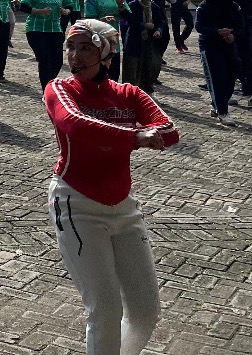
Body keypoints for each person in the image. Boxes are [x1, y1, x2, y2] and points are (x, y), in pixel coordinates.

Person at [44, 19, 180, 355]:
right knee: (105, 311)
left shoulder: (129, 93)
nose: (74, 56)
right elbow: (74, 124)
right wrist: (134, 137)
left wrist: (143, 135)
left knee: (146, 311)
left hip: (124, 207)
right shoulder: (60, 88)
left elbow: (169, 131)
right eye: (70, 47)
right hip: (77, 204)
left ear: (106, 54)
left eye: (85, 47)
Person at [192, 0, 242, 126]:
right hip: (210, 46)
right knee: (218, 78)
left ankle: (217, 105)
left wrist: (233, 35)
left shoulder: (233, 6)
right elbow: (200, 27)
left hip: (229, 44)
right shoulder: (203, 8)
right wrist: (217, 32)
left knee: (231, 77)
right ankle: (223, 112)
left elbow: (241, 26)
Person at [20, 0, 71, 89]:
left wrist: (66, 11)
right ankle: (47, 91)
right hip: (35, 29)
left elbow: (69, 5)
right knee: (45, 60)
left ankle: (50, 84)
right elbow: (23, 6)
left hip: (54, 28)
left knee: (57, 61)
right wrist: (38, 11)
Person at [83, 0, 130, 81]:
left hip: (114, 43)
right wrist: (101, 20)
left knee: (113, 76)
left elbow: (129, 17)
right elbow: (88, 22)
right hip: (98, 43)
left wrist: (121, 6)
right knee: (99, 75)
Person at [122, 0, 167, 95]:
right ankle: (129, 95)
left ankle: (146, 92)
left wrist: (158, 30)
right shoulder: (132, 5)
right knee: (132, 70)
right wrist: (144, 25)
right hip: (134, 41)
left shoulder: (154, 6)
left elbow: (161, 21)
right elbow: (130, 22)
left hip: (150, 42)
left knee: (150, 67)